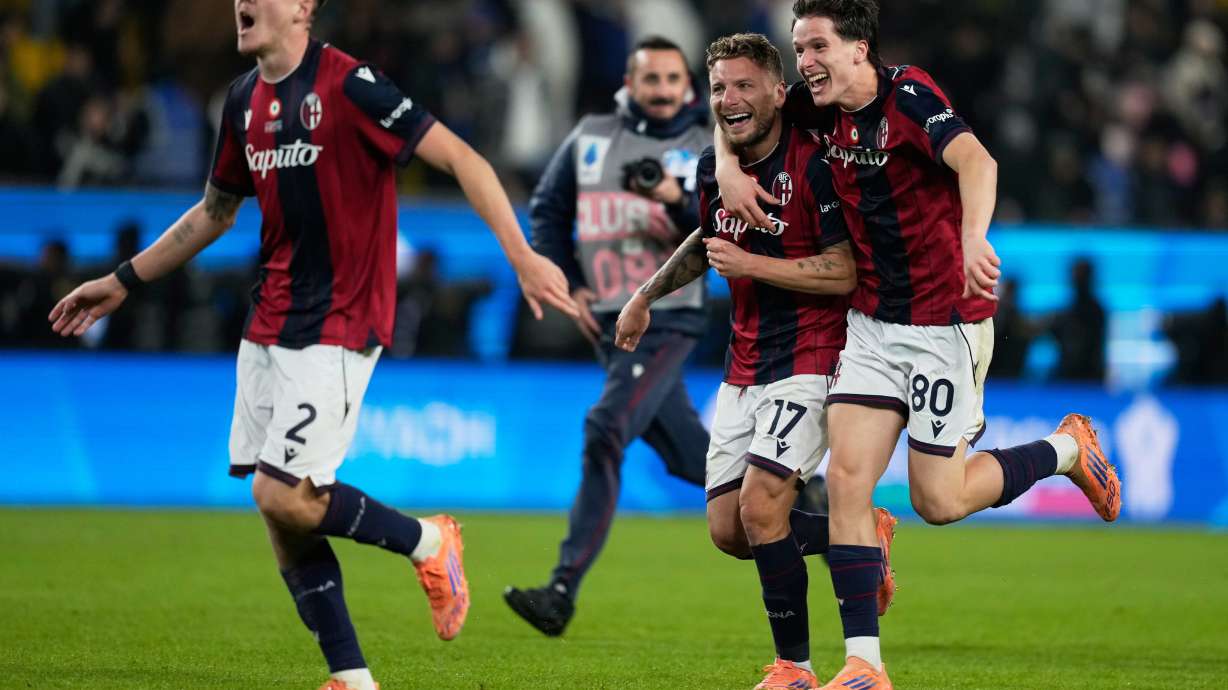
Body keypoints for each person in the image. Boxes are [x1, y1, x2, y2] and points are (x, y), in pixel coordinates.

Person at [48, 1, 577, 688]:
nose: (242, 3)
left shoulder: (351, 85)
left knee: (284, 493)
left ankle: (430, 540)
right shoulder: (241, 101)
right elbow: (215, 211)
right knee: (280, 516)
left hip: (341, 318)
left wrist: (522, 255)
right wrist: (123, 278)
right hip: (268, 320)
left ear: (302, 7)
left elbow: (464, 158)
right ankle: (352, 678)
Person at [714, 2, 1122, 688]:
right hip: (872, 327)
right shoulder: (818, 109)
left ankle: (1068, 449)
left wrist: (971, 238)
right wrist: (728, 165)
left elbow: (978, 162)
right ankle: (864, 665)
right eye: (798, 48)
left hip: (945, 328)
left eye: (816, 46)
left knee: (939, 501)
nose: (804, 62)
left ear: (858, 49)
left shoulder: (909, 98)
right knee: (846, 480)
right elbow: (738, 114)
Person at [617, 33, 896, 690]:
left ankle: (793, 667)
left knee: (763, 508)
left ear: (779, 91)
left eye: (744, 86)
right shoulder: (718, 170)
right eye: (718, 88)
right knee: (729, 530)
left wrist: (753, 265)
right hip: (743, 366)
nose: (729, 100)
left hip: (815, 356)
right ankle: (850, 532)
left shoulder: (818, 164)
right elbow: (712, 242)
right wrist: (646, 293)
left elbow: (846, 271)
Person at [503, 35, 712, 637]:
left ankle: (562, 590)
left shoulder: (704, 147)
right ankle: (811, 500)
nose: (665, 90)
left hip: (668, 318)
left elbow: (720, 230)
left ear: (688, 87)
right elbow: (547, 210)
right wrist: (570, 281)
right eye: (653, 79)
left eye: (674, 80)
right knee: (691, 458)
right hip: (607, 323)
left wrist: (674, 198)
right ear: (631, 82)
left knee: (604, 430)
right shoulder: (591, 135)